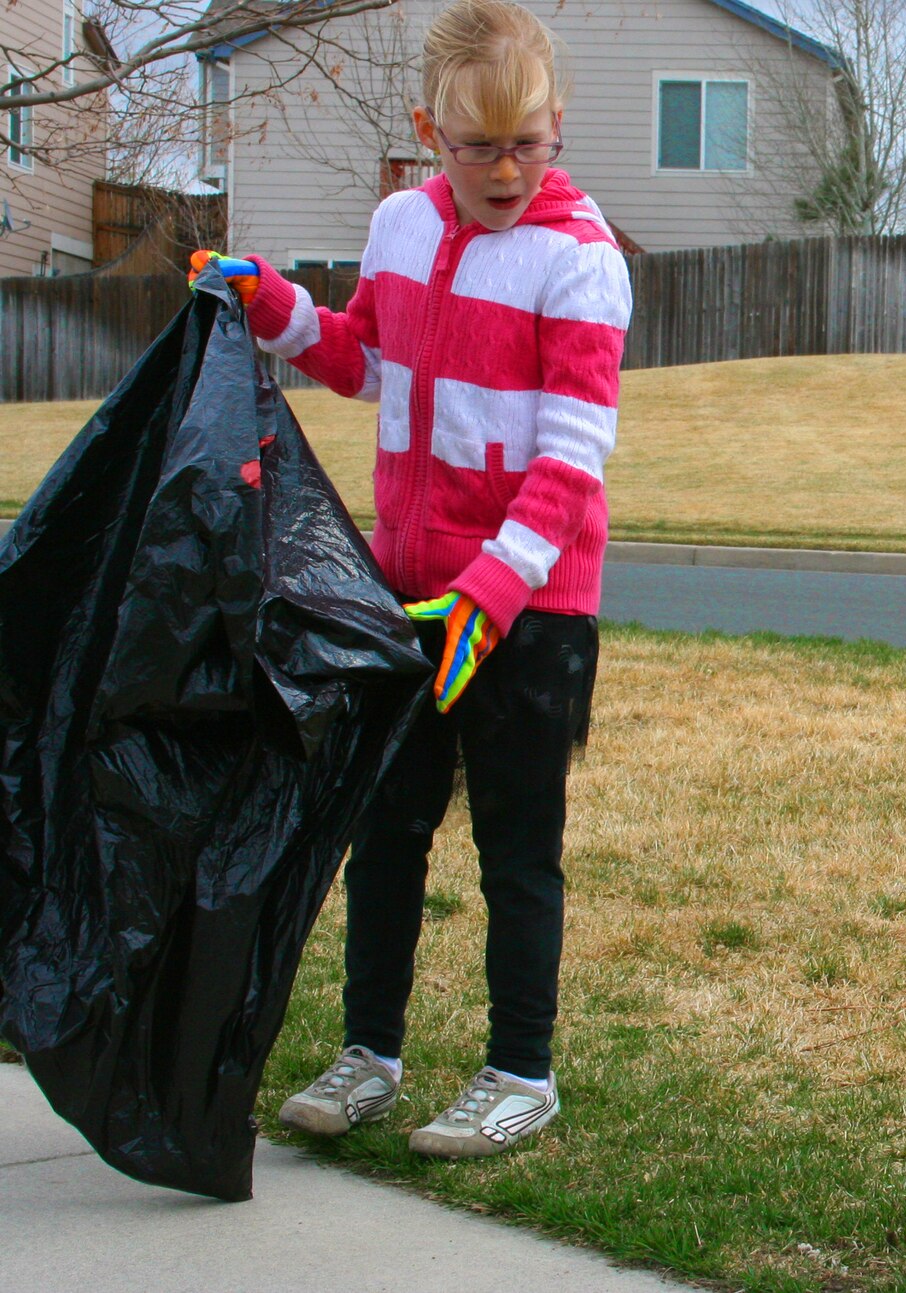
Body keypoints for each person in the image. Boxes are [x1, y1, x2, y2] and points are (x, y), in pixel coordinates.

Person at [190, 0, 630, 1158]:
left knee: (515, 849)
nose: (502, 170)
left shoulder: (580, 260)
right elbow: (365, 362)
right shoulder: (396, 225)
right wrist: (276, 307)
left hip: (529, 612)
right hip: (409, 599)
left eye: (526, 143)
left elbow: (572, 459)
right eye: (476, 145)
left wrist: (494, 590)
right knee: (385, 831)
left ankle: (519, 1072)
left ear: (556, 125)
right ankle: (369, 1054)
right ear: (429, 129)